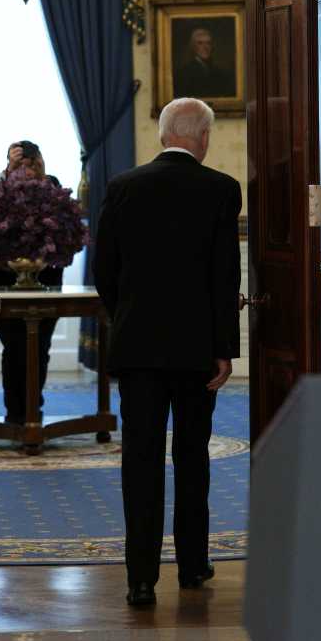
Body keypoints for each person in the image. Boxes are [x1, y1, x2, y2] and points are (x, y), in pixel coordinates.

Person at [94, 97, 242, 607]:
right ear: (203, 138)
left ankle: (139, 578)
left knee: (140, 459)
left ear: (162, 135)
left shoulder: (123, 187)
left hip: (136, 347)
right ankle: (194, 565)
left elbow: (104, 272)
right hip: (198, 350)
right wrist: (225, 348)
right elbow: (226, 278)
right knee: (192, 456)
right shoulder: (222, 190)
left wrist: (127, 316)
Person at [0, 140, 64, 425]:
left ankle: (34, 410)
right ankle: (14, 413)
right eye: (21, 164)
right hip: (3, 281)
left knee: (40, 348)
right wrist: (10, 172)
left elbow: (59, 215)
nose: (26, 170)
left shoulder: (50, 184)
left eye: (31, 163)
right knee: (15, 348)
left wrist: (41, 178)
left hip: (47, 283)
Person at [172, 26, 234, 99]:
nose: (205, 47)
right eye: (200, 43)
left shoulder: (220, 72)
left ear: (212, 46)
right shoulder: (184, 72)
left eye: (208, 43)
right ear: (193, 46)